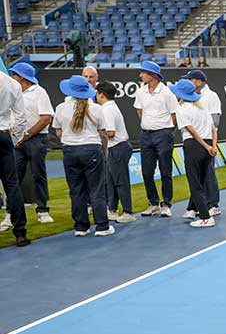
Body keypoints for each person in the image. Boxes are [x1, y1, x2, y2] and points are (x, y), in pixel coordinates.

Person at [53, 75, 114, 237]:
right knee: (97, 189)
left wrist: (71, 141)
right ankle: (102, 226)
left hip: (70, 150)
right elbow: (103, 134)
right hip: (91, 149)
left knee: (76, 190)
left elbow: (58, 132)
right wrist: (104, 152)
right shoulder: (96, 109)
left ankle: (81, 226)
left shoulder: (60, 108)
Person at [9, 62, 55, 224]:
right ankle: (11, 212)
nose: (12, 77)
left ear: (22, 77)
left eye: (14, 74)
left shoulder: (39, 92)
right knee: (14, 177)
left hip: (37, 139)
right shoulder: (12, 92)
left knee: (38, 175)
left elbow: (46, 118)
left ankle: (42, 210)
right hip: (17, 140)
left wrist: (27, 135)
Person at [169, 79, 218, 228]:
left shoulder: (181, 109)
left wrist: (206, 146)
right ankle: (196, 210)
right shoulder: (203, 108)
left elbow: (192, 131)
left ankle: (205, 217)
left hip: (194, 146)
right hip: (207, 146)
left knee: (195, 184)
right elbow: (213, 129)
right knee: (201, 182)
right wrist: (213, 146)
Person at [134, 60, 178, 217]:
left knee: (166, 171)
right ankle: (153, 203)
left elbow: (174, 115)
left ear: (152, 75)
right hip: (146, 135)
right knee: (146, 172)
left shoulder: (167, 93)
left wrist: (166, 130)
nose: (140, 75)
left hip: (163, 135)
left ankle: (166, 204)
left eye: (143, 72)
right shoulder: (140, 92)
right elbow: (139, 111)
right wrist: (149, 125)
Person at [183, 69, 222, 218]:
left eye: (190, 79)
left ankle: (214, 205)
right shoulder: (190, 98)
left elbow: (215, 121)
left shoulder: (211, 96)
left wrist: (212, 143)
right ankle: (195, 206)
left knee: (208, 173)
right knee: (197, 176)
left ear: (198, 82)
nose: (188, 82)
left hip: (207, 139)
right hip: (195, 140)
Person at [95, 81, 135, 223]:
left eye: (97, 93)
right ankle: (112, 210)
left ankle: (128, 212)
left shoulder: (107, 110)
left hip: (117, 147)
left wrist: (97, 132)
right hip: (116, 147)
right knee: (111, 181)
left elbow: (111, 133)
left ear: (101, 95)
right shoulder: (110, 107)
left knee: (120, 181)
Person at [0, 69, 30, 247]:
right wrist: (15, 139)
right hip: (3, 134)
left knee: (12, 184)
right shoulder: (11, 83)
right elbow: (20, 116)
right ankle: (20, 233)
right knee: (12, 184)